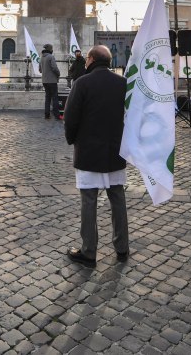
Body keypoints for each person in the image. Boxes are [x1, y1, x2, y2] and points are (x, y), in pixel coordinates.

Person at [63, 45, 129, 267]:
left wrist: (72, 139)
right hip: (115, 149)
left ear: (90, 59)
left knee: (89, 200)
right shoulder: (123, 83)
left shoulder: (82, 83)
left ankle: (89, 250)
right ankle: (122, 246)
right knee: (117, 198)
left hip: (89, 150)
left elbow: (71, 117)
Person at [40, 43, 61, 119]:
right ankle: (57, 115)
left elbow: (40, 70)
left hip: (44, 80)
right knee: (55, 97)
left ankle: (47, 114)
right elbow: (54, 68)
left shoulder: (41, 57)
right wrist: (58, 73)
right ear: (50, 49)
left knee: (47, 98)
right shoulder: (51, 57)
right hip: (52, 80)